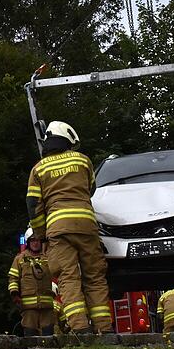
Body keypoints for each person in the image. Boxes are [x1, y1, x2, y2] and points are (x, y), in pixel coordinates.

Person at [25, 121, 111, 334]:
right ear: (68, 139)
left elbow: (33, 205)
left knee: (68, 277)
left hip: (58, 230)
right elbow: (91, 189)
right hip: (87, 226)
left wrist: (41, 234)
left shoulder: (39, 168)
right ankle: (105, 328)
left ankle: (80, 328)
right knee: (95, 277)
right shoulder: (83, 161)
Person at [8, 227, 55, 336]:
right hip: (28, 305)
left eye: (37, 240)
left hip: (46, 304)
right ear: (28, 242)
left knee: (48, 333)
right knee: (30, 334)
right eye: (32, 240)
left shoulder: (48, 258)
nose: (35, 243)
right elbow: (13, 277)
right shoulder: (20, 259)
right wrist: (14, 293)